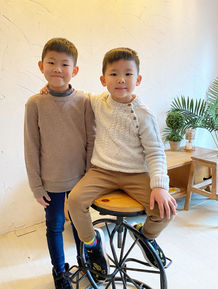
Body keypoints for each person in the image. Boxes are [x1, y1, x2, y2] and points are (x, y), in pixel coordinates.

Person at [67, 47, 177, 278]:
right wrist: (54, 88)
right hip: (102, 171)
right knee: (75, 201)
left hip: (135, 173)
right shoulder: (97, 102)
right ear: (103, 79)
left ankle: (145, 235)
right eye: (114, 73)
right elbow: (73, 95)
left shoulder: (143, 114)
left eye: (128, 74)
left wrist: (159, 186)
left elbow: (155, 152)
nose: (121, 79)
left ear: (138, 79)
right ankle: (92, 243)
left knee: (166, 210)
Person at [24, 37, 95, 289]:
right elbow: (31, 146)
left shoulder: (85, 100)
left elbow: (91, 139)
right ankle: (59, 271)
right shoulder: (35, 103)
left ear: (74, 71)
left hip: (80, 179)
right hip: (50, 180)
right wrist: (36, 186)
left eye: (64, 64)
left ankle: (83, 261)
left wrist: (89, 176)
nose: (57, 68)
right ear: (41, 65)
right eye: (51, 62)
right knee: (54, 226)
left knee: (79, 224)